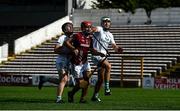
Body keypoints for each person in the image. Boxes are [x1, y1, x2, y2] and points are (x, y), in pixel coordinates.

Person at [65, 21, 101, 103]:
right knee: (81, 83)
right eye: (86, 27)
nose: (88, 29)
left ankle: (83, 98)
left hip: (85, 62)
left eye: (90, 27)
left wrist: (100, 53)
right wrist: (73, 49)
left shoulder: (90, 38)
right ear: (82, 28)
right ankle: (71, 93)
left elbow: (91, 50)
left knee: (87, 81)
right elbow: (66, 42)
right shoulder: (77, 35)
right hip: (76, 63)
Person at [38, 22, 74, 103]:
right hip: (61, 61)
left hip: (67, 62)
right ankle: (58, 99)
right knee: (64, 80)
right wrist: (67, 52)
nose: (72, 28)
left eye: (72, 26)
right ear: (65, 30)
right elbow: (56, 49)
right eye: (69, 27)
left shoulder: (72, 38)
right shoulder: (63, 37)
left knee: (65, 82)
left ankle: (45, 79)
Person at [91, 16, 123, 102]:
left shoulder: (110, 35)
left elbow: (114, 46)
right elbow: (94, 29)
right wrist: (91, 30)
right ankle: (107, 88)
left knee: (100, 80)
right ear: (102, 23)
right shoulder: (99, 29)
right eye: (104, 21)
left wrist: (118, 49)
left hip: (103, 56)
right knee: (108, 66)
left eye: (108, 21)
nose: (106, 23)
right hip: (96, 55)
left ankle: (95, 96)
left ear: (110, 23)